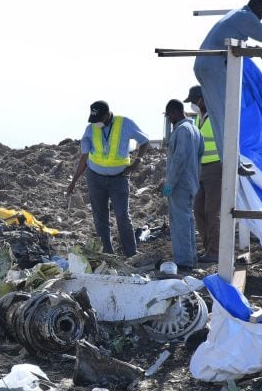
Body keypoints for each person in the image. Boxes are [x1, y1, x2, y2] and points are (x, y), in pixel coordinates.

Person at [193, 0, 262, 170]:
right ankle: (232, 162)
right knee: (227, 115)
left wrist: (261, 53)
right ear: (257, 8)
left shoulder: (238, 15)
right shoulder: (246, 17)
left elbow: (237, 47)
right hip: (214, 66)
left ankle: (230, 160)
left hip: (204, 65)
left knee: (220, 116)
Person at [66, 101, 150, 257]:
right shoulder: (90, 129)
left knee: (122, 215)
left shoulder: (125, 123)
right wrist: (74, 181)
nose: (95, 122)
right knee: (100, 217)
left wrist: (136, 162)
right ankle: (107, 254)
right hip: (95, 177)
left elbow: (144, 141)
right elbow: (84, 158)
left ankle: (131, 254)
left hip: (119, 179)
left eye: (98, 119)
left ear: (106, 115)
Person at [160, 99, 203, 269]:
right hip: (191, 182)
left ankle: (184, 261)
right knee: (187, 221)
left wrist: (169, 183)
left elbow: (179, 159)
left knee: (180, 223)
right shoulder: (195, 130)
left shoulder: (182, 130)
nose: (170, 119)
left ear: (175, 112)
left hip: (180, 184)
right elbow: (199, 156)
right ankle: (190, 258)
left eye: (170, 115)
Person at [185, 86, 220, 263]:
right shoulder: (199, 119)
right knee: (199, 210)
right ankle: (208, 248)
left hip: (216, 167)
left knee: (212, 211)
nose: (193, 105)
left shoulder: (217, 116)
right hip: (201, 168)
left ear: (204, 99)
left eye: (194, 101)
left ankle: (215, 251)